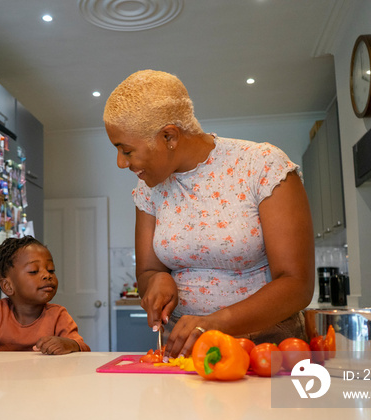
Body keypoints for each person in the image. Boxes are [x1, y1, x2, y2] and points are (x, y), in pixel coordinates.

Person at [103, 70, 315, 359]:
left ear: (169, 136)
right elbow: (148, 272)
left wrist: (215, 323)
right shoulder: (149, 188)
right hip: (186, 354)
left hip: (268, 350)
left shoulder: (262, 166)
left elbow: (296, 285)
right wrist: (157, 281)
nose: (120, 162)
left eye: (127, 151)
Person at [0, 236, 91, 355]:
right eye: (34, 271)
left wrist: (68, 344)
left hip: (44, 383)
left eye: (51, 270)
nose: (47, 275)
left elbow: (82, 348)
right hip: (4, 384)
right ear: (8, 286)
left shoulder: (58, 315)